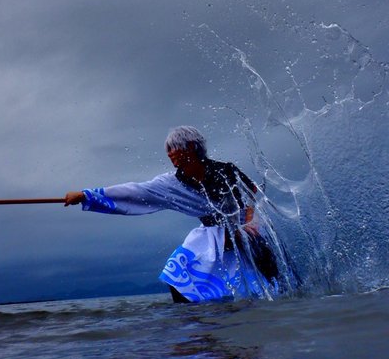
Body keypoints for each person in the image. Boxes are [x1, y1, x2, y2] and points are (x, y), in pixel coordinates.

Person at [65, 126, 279, 303]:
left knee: (269, 278)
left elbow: (253, 195)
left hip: (244, 230)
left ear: (192, 147)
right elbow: (135, 191)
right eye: (168, 150)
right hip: (213, 233)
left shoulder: (225, 171)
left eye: (174, 148)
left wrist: (250, 225)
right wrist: (86, 195)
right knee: (178, 270)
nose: (170, 154)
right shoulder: (172, 183)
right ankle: (195, 320)